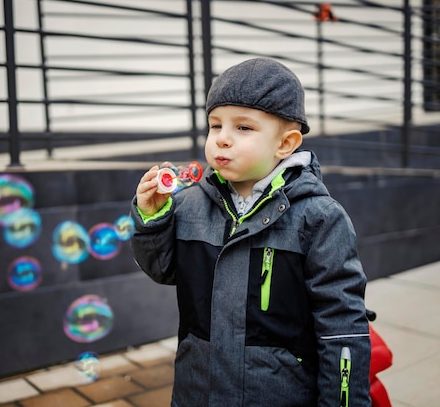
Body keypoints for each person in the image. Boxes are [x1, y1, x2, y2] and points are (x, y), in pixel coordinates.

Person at [130, 57, 371, 407]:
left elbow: (342, 327)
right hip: (197, 393)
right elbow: (162, 269)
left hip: (279, 393)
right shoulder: (190, 205)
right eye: (215, 125)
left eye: (243, 128)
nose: (222, 140)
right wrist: (153, 217)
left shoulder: (318, 218)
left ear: (285, 144)